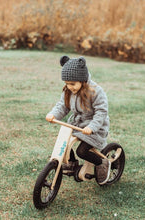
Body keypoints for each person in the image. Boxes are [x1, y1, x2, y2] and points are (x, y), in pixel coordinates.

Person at [46, 55, 110, 185]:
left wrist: (92, 127)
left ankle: (102, 163)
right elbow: (62, 106)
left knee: (82, 151)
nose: (69, 87)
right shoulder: (68, 92)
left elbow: (101, 112)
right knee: (63, 141)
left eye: (72, 84)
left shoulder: (96, 92)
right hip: (77, 124)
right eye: (67, 83)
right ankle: (71, 163)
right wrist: (53, 114)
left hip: (94, 127)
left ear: (83, 80)